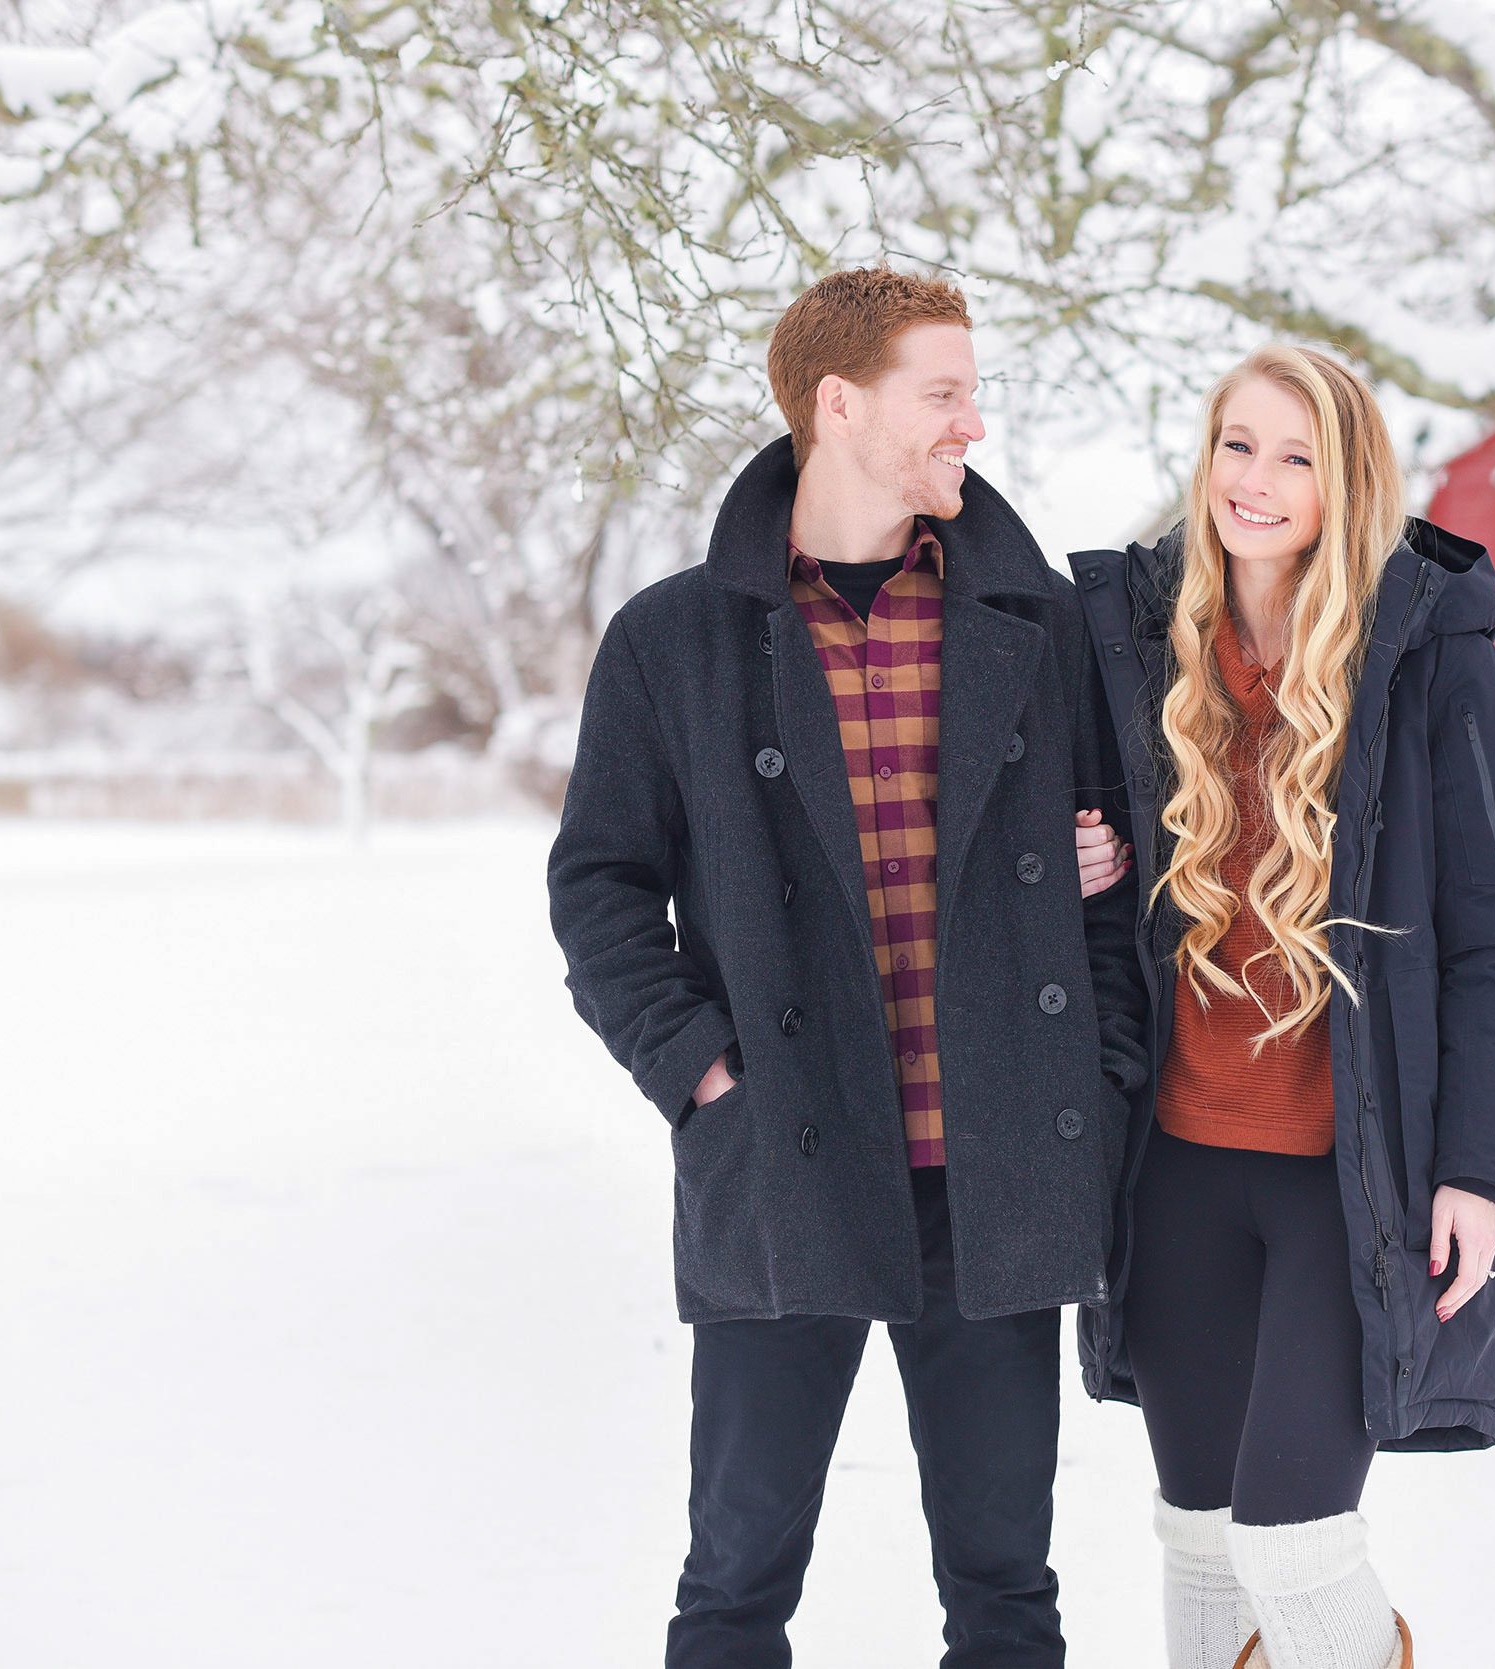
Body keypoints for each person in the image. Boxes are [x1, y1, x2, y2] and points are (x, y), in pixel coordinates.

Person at [545, 266, 1145, 1669]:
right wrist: (700, 1070)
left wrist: (1100, 1074)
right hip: (786, 1169)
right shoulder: (673, 641)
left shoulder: (1041, 626)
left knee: (1006, 1588)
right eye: (945, 394)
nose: (972, 426)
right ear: (839, 402)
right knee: (737, 1581)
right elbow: (599, 887)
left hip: (996, 1171)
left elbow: (1120, 880)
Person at [1065, 345, 1495, 1669]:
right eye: (1236, 443)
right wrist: (1081, 854)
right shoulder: (1134, 650)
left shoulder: (1437, 671)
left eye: (1296, 456)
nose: (1256, 482)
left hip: (1350, 1188)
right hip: (1175, 1176)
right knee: (1201, 1534)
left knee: (1294, 1540)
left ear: (1349, 484)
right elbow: (1077, 861)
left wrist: (1478, 1176)